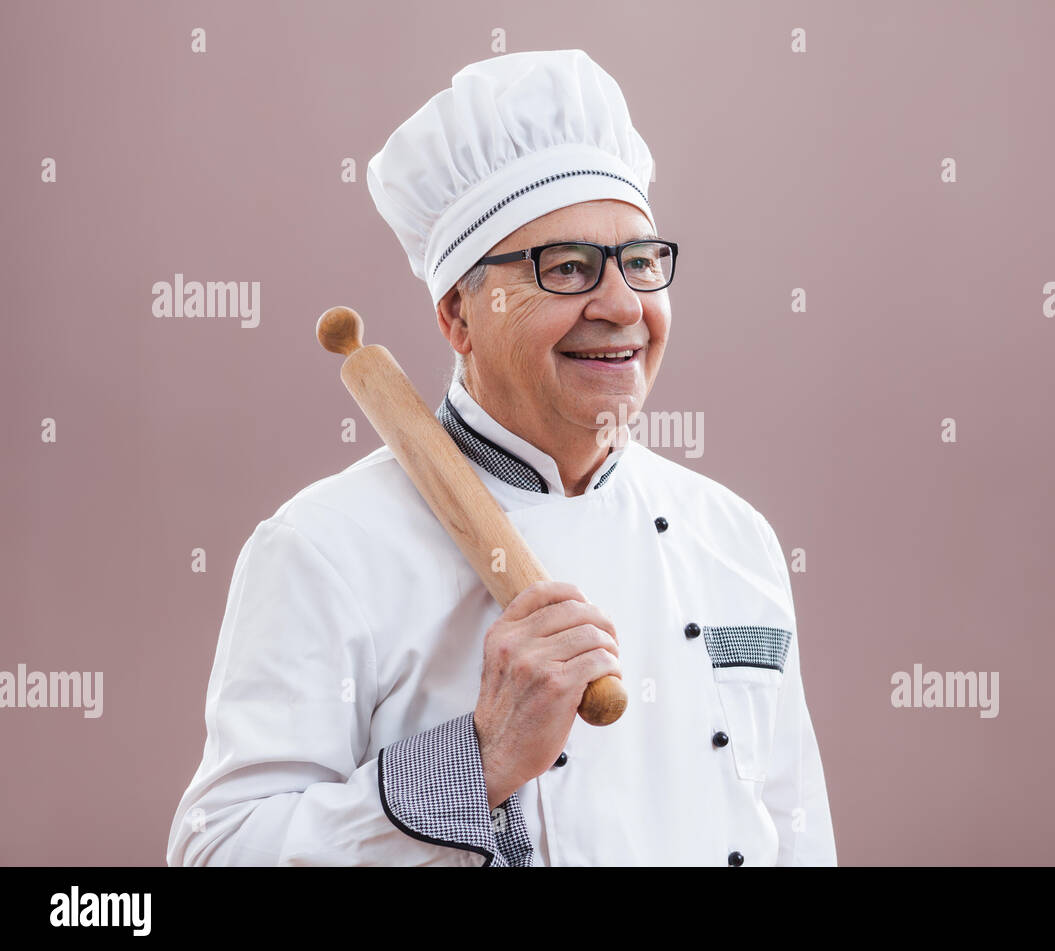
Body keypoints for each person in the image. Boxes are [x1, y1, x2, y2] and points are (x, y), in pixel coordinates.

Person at [166, 48, 835, 866]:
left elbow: (796, 830)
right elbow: (219, 851)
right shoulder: (324, 548)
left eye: (642, 261)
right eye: (567, 267)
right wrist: (477, 761)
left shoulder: (735, 537)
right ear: (458, 315)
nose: (623, 305)